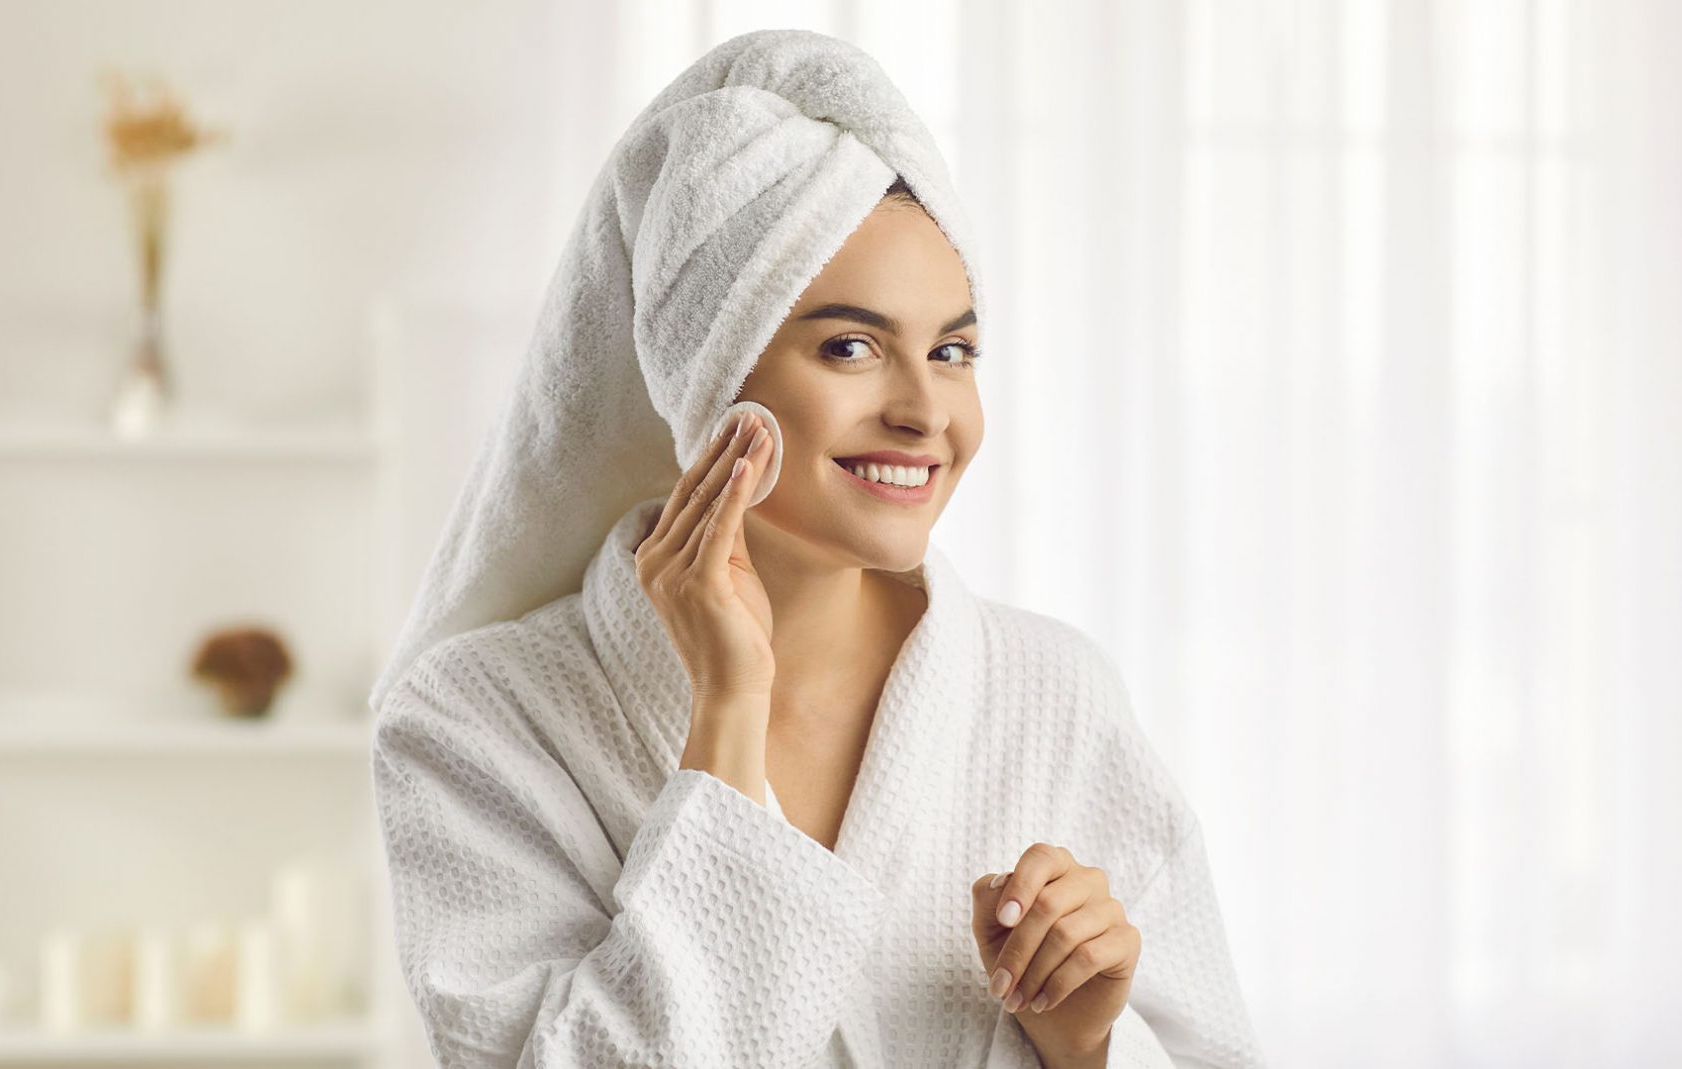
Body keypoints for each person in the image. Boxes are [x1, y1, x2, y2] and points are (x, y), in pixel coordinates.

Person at [370, 28, 1264, 1069]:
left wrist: (1082, 1045)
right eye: (850, 346)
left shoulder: (1050, 695)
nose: (925, 408)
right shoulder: (478, 717)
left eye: (953, 350)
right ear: (707, 366)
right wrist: (726, 721)